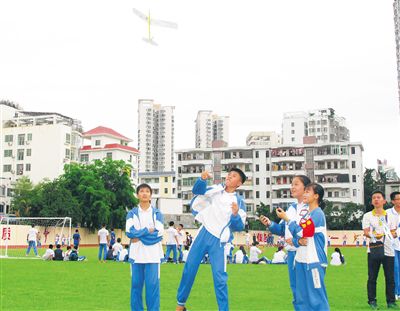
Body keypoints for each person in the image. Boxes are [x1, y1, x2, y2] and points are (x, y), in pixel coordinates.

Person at [176, 168, 247, 311]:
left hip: (219, 241)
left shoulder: (239, 202)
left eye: (233, 176)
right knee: (189, 269)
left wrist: (234, 214)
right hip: (204, 233)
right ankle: (180, 304)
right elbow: (198, 191)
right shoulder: (216, 190)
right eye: (228, 175)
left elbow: (239, 226)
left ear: (238, 183)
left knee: (220, 278)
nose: (229, 177)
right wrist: (202, 179)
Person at [276, 182, 329, 311]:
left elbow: (303, 232)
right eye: (304, 191)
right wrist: (297, 242)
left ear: (316, 196)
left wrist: (287, 219)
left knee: (317, 298)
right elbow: (300, 238)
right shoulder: (306, 215)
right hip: (301, 260)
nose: (304, 194)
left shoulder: (317, 214)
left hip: (314, 261)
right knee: (302, 298)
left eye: (308, 191)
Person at [260, 175, 311, 306]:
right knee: (295, 291)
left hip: (305, 253)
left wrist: (295, 238)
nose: (292, 187)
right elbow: (282, 229)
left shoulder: (310, 208)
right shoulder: (291, 208)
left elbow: (306, 232)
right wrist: (270, 224)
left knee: (306, 291)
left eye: (296, 184)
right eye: (292, 184)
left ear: (306, 188)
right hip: (292, 254)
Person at [126, 183, 164, 311]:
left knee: (152, 287)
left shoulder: (157, 213)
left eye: (147, 191)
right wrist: (148, 230)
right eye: (141, 191)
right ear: (137, 195)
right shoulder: (132, 213)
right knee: (136, 286)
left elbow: (158, 234)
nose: (144, 193)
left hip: (153, 256)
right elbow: (129, 232)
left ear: (150, 195)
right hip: (136, 256)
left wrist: (139, 236)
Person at [362, 190, 399, 309]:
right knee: (372, 277)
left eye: (378, 197)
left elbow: (393, 231)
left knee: (390, 277)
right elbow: (366, 232)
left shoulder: (390, 216)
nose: (376, 200)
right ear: (372, 201)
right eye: (374, 198)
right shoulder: (367, 215)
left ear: (384, 201)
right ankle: (372, 301)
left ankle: (391, 301)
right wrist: (375, 235)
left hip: (389, 249)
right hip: (374, 249)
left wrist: (392, 234)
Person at [390, 191, 400, 300]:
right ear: (393, 201)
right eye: (398, 199)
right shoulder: (388, 213)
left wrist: (397, 231)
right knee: (395, 269)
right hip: (393, 246)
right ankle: (397, 292)